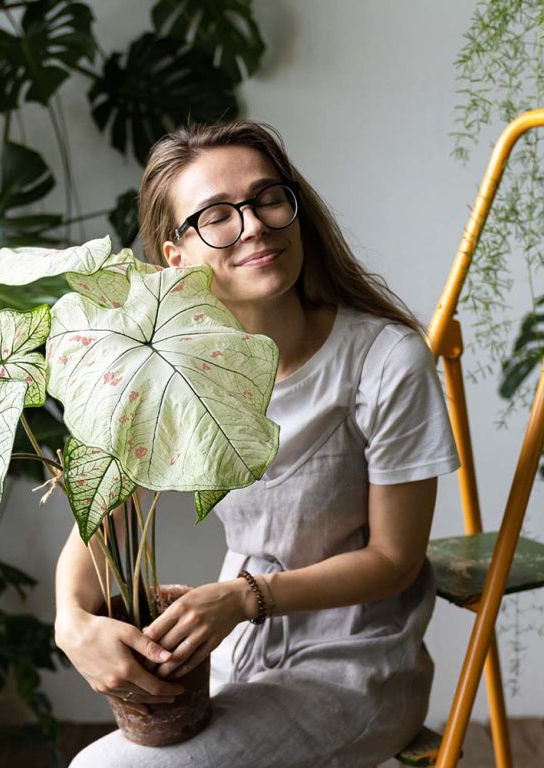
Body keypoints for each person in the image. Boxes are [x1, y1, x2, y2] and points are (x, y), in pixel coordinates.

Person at [55, 120, 460, 767]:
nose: (253, 226)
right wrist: (70, 621)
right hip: (231, 656)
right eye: (216, 215)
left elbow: (395, 560)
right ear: (175, 256)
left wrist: (246, 597)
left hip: (358, 666)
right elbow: (101, 513)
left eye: (267, 198)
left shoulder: (384, 360)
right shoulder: (171, 366)